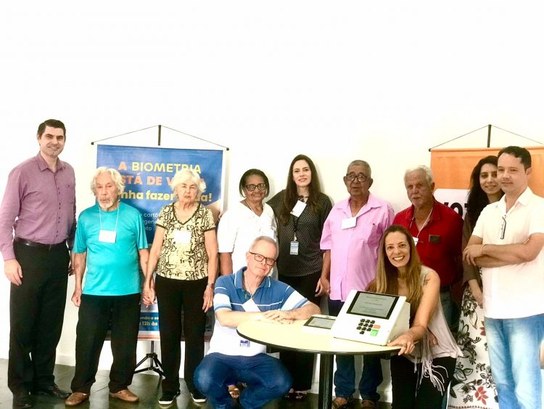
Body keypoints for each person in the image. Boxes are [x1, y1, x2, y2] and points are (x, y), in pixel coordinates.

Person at [194, 236, 321, 409]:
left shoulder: (278, 288)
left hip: (255, 358)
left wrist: (289, 313)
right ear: (248, 256)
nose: (263, 263)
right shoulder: (225, 282)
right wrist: (264, 316)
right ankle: (223, 405)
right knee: (203, 379)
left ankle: (247, 403)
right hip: (221, 356)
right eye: (259, 256)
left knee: (282, 382)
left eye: (269, 260)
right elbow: (224, 317)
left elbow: (314, 310)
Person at [0, 119, 75, 409]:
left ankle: (44, 380)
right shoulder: (22, 172)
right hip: (28, 255)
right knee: (23, 324)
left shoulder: (69, 172)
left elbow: (72, 213)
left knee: (50, 324)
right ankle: (20, 387)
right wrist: (9, 259)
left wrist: (73, 250)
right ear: (39, 138)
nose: (54, 141)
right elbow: (5, 221)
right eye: (49, 136)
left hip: (58, 256)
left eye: (60, 137)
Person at [463, 146, 544, 409]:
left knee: (525, 383)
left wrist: (485, 249)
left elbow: (529, 252)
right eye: (501, 170)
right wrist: (512, 252)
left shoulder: (539, 207)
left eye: (512, 170)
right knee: (503, 383)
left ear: (528, 172)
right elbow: (469, 255)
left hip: (526, 312)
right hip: (494, 309)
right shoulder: (489, 212)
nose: (504, 176)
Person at [64, 168, 149, 406]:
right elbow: (79, 254)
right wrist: (78, 287)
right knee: (87, 342)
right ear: (94, 191)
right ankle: (80, 388)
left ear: (118, 188)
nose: (104, 192)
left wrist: (148, 284)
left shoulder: (133, 216)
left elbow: (144, 252)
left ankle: (119, 386)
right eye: (99, 187)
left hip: (128, 291)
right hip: (94, 292)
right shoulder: (86, 217)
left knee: (125, 344)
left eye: (109, 186)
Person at [317, 160, 394, 409]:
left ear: (370, 181)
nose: (356, 181)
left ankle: (370, 394)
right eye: (351, 176)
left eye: (362, 176)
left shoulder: (383, 209)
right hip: (337, 289)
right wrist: (324, 276)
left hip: (369, 290)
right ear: (345, 180)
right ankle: (344, 391)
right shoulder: (336, 210)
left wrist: (380, 279)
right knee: (341, 342)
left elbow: (389, 250)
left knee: (369, 342)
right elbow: (327, 247)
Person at [143, 169, 218, 406]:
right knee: (169, 334)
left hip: (197, 282)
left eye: (193, 187)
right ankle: (170, 386)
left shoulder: (205, 214)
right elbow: (155, 249)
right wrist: (148, 280)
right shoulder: (166, 212)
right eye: (184, 186)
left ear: (199, 190)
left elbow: (213, 254)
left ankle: (195, 385)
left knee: (195, 335)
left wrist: (210, 286)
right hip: (167, 281)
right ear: (175, 188)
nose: (188, 191)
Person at [370, 225, 462, 409]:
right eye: (390, 247)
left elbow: (421, 324)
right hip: (405, 351)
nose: (397, 251)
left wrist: (409, 336)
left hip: (437, 352)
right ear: (384, 252)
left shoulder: (428, 277)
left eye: (402, 245)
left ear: (411, 247)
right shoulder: (379, 283)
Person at [267, 154, 332, 400]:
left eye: (306, 170)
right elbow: (256, 206)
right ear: (291, 175)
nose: (302, 174)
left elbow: (329, 243)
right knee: (286, 324)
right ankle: (287, 382)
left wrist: (325, 275)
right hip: (285, 272)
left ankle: (303, 384)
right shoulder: (282, 199)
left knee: (306, 325)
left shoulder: (322, 202)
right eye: (297, 170)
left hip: (311, 272)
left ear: (312, 173)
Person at [448, 156, 502, 408]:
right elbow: (467, 255)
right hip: (476, 292)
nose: (489, 180)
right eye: (484, 175)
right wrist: (476, 290)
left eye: (494, 174)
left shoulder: (515, 209)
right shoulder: (472, 214)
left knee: (501, 352)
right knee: (475, 352)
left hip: (509, 292)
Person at [393, 165, 463, 331]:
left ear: (432, 187)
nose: (414, 191)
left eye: (420, 185)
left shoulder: (451, 219)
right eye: (410, 187)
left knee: (439, 350)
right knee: (406, 349)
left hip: (440, 297)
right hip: (406, 296)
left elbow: (460, 260)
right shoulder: (400, 219)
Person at [217, 168, 277, 276]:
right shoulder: (232, 214)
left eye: (261, 185)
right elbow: (225, 253)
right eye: (251, 187)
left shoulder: (269, 211)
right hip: (242, 279)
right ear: (244, 190)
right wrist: (230, 286)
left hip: (269, 278)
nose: (257, 190)